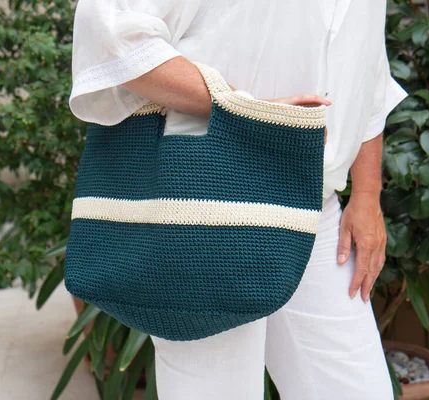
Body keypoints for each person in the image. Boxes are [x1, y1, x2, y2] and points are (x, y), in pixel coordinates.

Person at [68, 1, 408, 399]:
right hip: (201, 201)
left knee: (355, 389)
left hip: (315, 205)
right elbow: (111, 28)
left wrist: (367, 196)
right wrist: (240, 109)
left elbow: (365, 66)